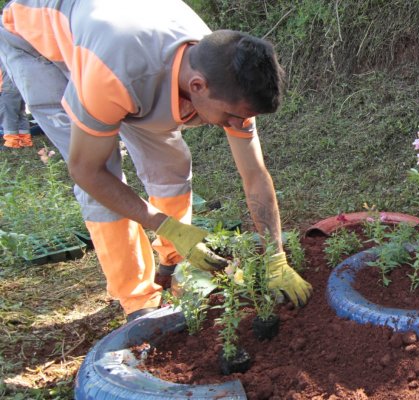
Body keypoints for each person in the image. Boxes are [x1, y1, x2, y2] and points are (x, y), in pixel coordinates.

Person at [0, 0, 312, 321]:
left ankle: (174, 261)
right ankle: (138, 301)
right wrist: (166, 225)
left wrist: (276, 257)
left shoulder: (224, 71)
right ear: (197, 86)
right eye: (232, 116)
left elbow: (255, 175)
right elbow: (87, 172)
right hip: (36, 44)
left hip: (113, 45)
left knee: (170, 163)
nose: (237, 125)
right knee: (104, 180)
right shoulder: (115, 75)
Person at [0, 59, 32, 148]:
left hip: (6, 88)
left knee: (8, 116)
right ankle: (25, 140)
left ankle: (12, 143)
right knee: (21, 114)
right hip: (18, 87)